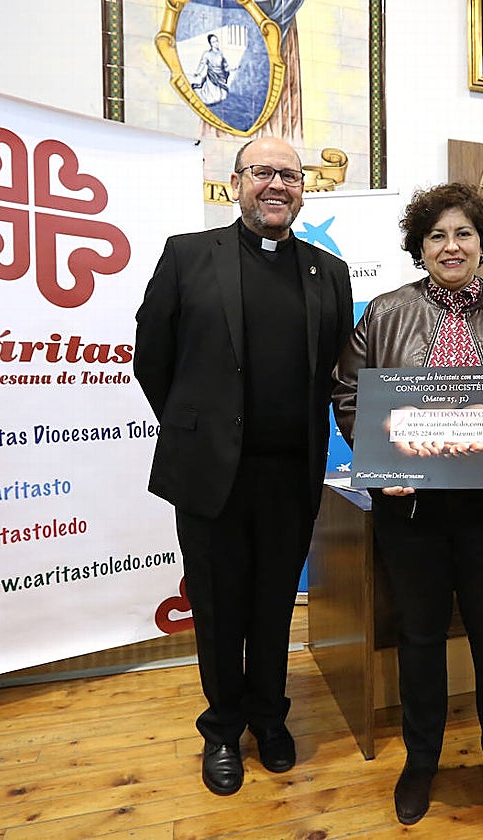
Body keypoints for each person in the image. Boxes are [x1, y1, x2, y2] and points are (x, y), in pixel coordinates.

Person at [333, 182, 483, 826]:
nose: (451, 245)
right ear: (420, 246)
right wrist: (384, 461)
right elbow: (349, 395)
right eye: (437, 235)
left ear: (482, 243)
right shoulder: (385, 314)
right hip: (411, 512)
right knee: (418, 636)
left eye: (463, 233)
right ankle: (421, 761)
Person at [133, 136, 353, 796]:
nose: (277, 184)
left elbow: (336, 372)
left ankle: (269, 716)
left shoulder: (328, 272)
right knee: (219, 609)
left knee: (274, 605)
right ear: (236, 184)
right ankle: (223, 729)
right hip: (209, 476)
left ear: (302, 190)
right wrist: (198, 426)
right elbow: (153, 358)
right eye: (263, 172)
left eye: (289, 174)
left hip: (290, 475)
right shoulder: (187, 255)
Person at [190, 33, 230, 106]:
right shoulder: (207, 54)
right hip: (212, 76)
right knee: (211, 98)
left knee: (222, 95)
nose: (216, 43)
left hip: (220, 76)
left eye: (217, 41)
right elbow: (202, 64)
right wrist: (197, 72)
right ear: (210, 44)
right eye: (214, 42)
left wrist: (228, 70)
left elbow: (225, 64)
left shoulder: (220, 53)